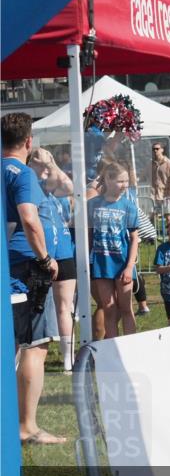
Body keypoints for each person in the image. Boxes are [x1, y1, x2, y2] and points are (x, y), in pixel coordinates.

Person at [3, 113, 65, 444]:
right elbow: (29, 218)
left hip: (8, 266)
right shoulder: (22, 173)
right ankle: (26, 426)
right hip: (24, 269)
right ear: (28, 142)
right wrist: (45, 258)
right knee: (35, 345)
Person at [29, 148, 75, 371]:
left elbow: (69, 187)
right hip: (43, 252)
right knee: (37, 306)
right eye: (37, 160)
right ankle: (25, 354)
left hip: (64, 250)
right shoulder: (32, 184)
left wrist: (51, 162)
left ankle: (68, 358)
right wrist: (41, 164)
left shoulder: (54, 185)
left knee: (64, 306)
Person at [88, 162, 140, 338]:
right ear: (108, 180)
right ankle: (112, 346)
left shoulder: (129, 206)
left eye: (126, 181)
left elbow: (134, 239)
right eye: (120, 181)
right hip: (102, 263)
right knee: (108, 308)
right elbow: (88, 234)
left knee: (126, 308)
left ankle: (130, 346)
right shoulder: (93, 204)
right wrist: (86, 260)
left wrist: (129, 267)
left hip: (123, 263)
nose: (125, 185)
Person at [150, 142, 170, 227]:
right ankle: (153, 233)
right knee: (152, 216)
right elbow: (143, 175)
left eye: (157, 149)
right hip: (154, 194)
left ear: (162, 150)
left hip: (166, 194)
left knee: (168, 217)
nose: (155, 150)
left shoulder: (168, 163)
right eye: (153, 149)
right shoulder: (151, 163)